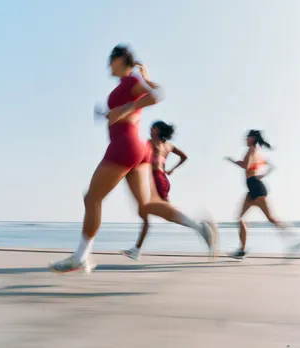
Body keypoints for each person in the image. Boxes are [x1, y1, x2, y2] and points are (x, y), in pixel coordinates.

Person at [49, 44, 217, 273]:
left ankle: (81, 256)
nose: (108, 65)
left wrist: (126, 108)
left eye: (111, 60)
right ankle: (199, 227)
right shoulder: (125, 85)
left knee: (92, 199)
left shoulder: (131, 80)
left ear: (120, 59)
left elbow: (157, 95)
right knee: (148, 205)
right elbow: (130, 109)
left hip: (125, 147)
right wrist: (114, 114)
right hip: (137, 150)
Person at [225, 130, 300, 260]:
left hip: (256, 189)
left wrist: (232, 161)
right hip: (253, 189)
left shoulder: (251, 150)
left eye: (247, 136)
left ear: (253, 138)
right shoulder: (258, 153)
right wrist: (261, 175)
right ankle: (241, 250)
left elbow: (245, 165)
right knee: (240, 218)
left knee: (271, 219)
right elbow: (271, 166)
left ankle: (297, 241)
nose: (245, 138)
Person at [122, 120, 188, 260]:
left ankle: (199, 226)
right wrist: (171, 170)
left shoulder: (151, 143)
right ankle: (136, 249)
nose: (150, 129)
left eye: (152, 127)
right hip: (160, 179)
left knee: (168, 214)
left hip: (156, 179)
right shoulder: (168, 145)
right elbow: (184, 157)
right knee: (146, 213)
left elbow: (137, 155)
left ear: (157, 130)